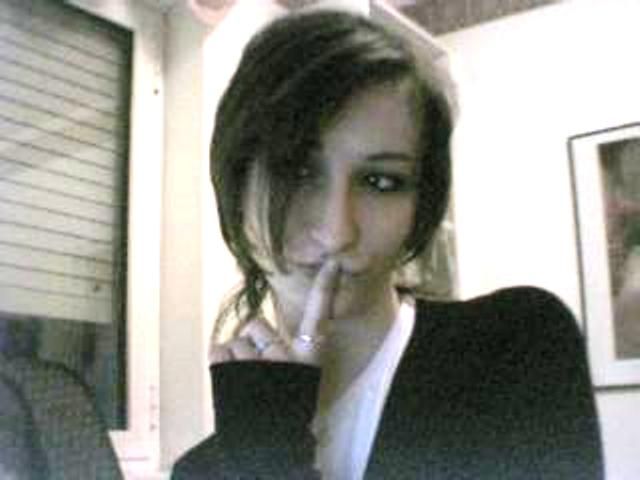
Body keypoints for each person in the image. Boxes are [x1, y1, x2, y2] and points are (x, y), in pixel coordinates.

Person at [172, 9, 603, 479]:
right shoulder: (205, 471)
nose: (338, 232)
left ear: (421, 203)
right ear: (235, 184)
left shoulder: (512, 348)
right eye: (296, 171)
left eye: (381, 182)